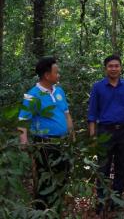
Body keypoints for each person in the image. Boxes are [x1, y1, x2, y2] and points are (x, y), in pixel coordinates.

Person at [18, 57, 74, 212]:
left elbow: (66, 114)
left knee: (63, 176)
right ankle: (42, 212)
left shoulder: (59, 91)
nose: (59, 75)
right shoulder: (32, 94)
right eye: (56, 72)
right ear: (47, 75)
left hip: (62, 143)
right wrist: (24, 143)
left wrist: (72, 134)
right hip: (44, 144)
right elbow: (22, 121)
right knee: (45, 180)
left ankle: (57, 209)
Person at [88, 55, 124, 214]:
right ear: (105, 68)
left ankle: (117, 199)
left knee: (122, 167)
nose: (114, 68)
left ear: (121, 68)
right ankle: (101, 201)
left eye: (117, 66)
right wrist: (93, 135)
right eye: (110, 66)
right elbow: (92, 112)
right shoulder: (98, 87)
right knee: (103, 167)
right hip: (105, 131)